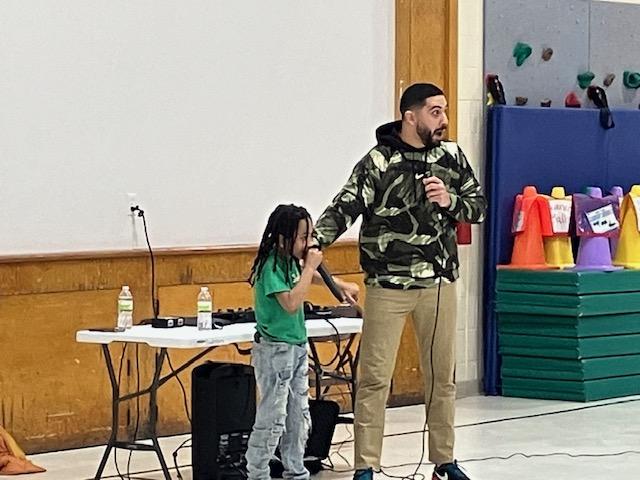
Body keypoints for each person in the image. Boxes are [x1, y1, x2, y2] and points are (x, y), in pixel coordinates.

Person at [314, 83, 487, 480]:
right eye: (434, 112)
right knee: (375, 377)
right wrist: (314, 241)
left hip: (439, 283)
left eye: (444, 111)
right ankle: (366, 465)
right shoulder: (379, 160)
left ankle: (444, 459)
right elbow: (345, 205)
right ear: (410, 117)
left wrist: (451, 201)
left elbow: (477, 206)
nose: (443, 119)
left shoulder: (452, 156)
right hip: (388, 285)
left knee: (442, 376)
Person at [246, 203, 359, 480]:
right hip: (275, 351)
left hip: (296, 348)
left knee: (299, 416)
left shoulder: (291, 264)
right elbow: (292, 301)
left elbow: (313, 278)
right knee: (273, 418)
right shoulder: (271, 266)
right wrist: (310, 266)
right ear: (284, 238)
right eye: (303, 237)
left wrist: (342, 286)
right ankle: (257, 472)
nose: (309, 243)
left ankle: (296, 470)